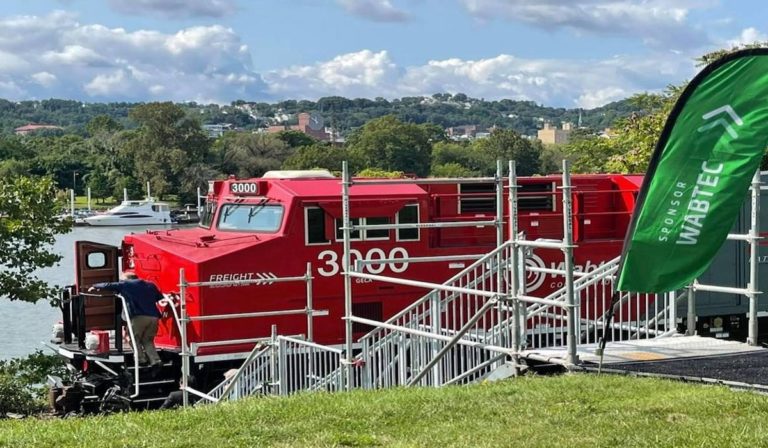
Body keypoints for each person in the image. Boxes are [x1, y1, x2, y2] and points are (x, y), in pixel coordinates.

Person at [89, 272, 163, 373]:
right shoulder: (150, 285)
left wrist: (94, 286)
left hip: (138, 317)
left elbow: (108, 285)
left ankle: (142, 361)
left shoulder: (126, 284)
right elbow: (159, 297)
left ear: (127, 279)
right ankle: (156, 361)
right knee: (148, 340)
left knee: (132, 338)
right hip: (154, 317)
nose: (121, 281)